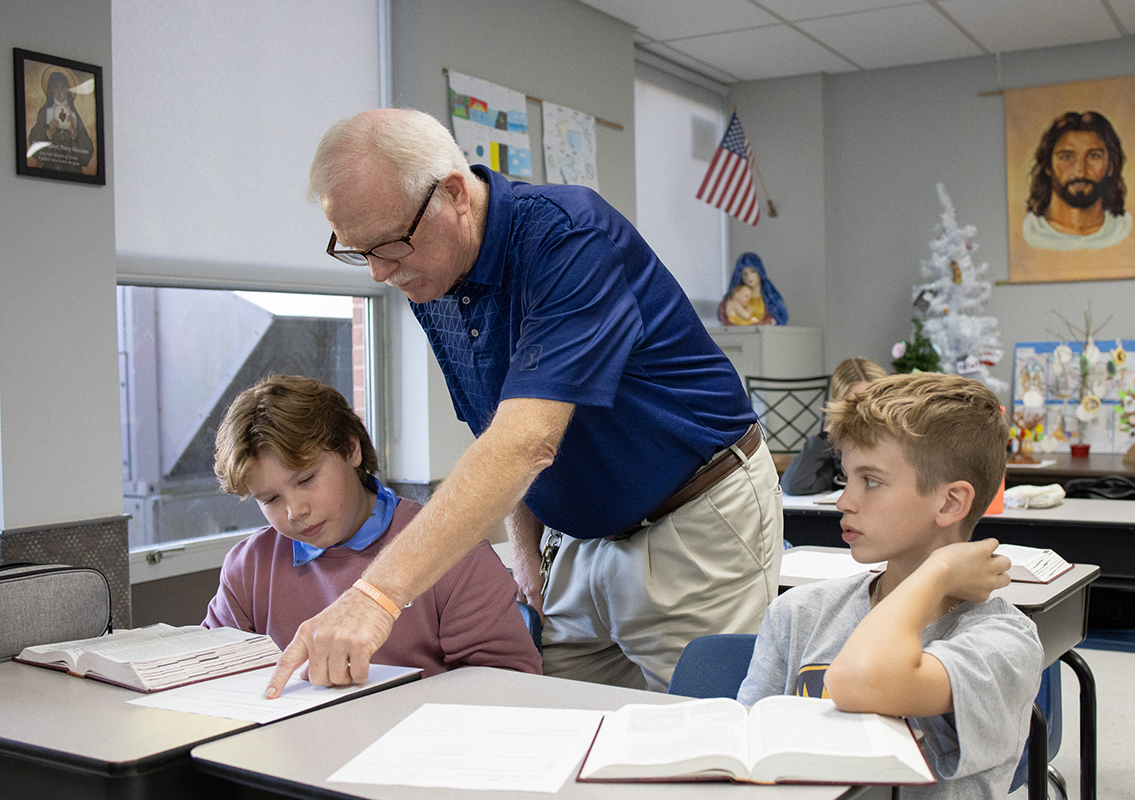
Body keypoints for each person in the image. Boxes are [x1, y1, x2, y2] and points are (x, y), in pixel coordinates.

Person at [266, 107, 783, 697]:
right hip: (580, 540)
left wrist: (376, 594)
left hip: (691, 517)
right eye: (359, 252)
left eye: (389, 244)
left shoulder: (569, 238)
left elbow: (526, 441)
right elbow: (499, 427)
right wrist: (525, 549)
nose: (382, 273)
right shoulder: (429, 274)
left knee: (699, 748)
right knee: (559, 726)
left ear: (455, 194)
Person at [739, 372, 1042, 798]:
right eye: (847, 478)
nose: (844, 501)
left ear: (950, 502)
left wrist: (937, 574)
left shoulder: (1003, 644)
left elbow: (860, 680)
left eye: (872, 481)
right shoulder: (800, 612)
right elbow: (745, 752)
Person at [202, 374, 542, 679]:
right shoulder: (248, 566)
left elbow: (511, 683)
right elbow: (209, 674)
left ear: (351, 449)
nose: (295, 511)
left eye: (306, 479)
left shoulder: (452, 550)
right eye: (270, 499)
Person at [1022, 110, 1132, 251]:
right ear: (1048, 165)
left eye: (1094, 156)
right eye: (1067, 157)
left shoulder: (1124, 230)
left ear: (1111, 165)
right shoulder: (1029, 232)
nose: (1080, 170)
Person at [780, 357, 888, 495]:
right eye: (855, 404)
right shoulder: (836, 452)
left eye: (872, 401)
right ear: (841, 406)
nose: (864, 411)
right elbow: (796, 485)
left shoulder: (898, 442)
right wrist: (826, 436)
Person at [27, 70, 94, 174]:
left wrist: (75, 135)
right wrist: (48, 134)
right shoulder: (45, 113)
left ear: (67, 90)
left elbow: (87, 152)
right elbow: (33, 143)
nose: (59, 91)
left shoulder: (74, 115)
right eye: (55, 87)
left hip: (73, 172)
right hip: (50, 170)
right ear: (51, 90)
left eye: (63, 87)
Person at [718, 252, 787, 325]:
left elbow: (779, 318)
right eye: (745, 273)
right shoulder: (734, 298)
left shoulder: (771, 298)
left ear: (759, 271)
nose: (749, 277)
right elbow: (725, 318)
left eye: (753, 271)